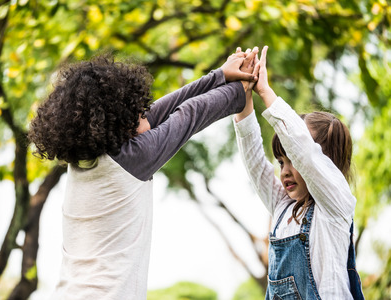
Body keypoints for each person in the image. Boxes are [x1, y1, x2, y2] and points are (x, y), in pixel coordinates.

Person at [28, 50, 258, 299]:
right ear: (119, 122)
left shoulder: (84, 161)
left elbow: (161, 111)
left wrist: (221, 75)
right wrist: (242, 88)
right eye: (138, 111)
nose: (145, 113)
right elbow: (190, 113)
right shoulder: (130, 159)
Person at [233, 46, 364, 299]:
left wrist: (265, 91)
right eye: (281, 162)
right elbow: (255, 163)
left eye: (292, 160)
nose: (285, 171)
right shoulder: (283, 207)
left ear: (326, 164)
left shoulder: (335, 204)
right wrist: (244, 98)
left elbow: (305, 151)